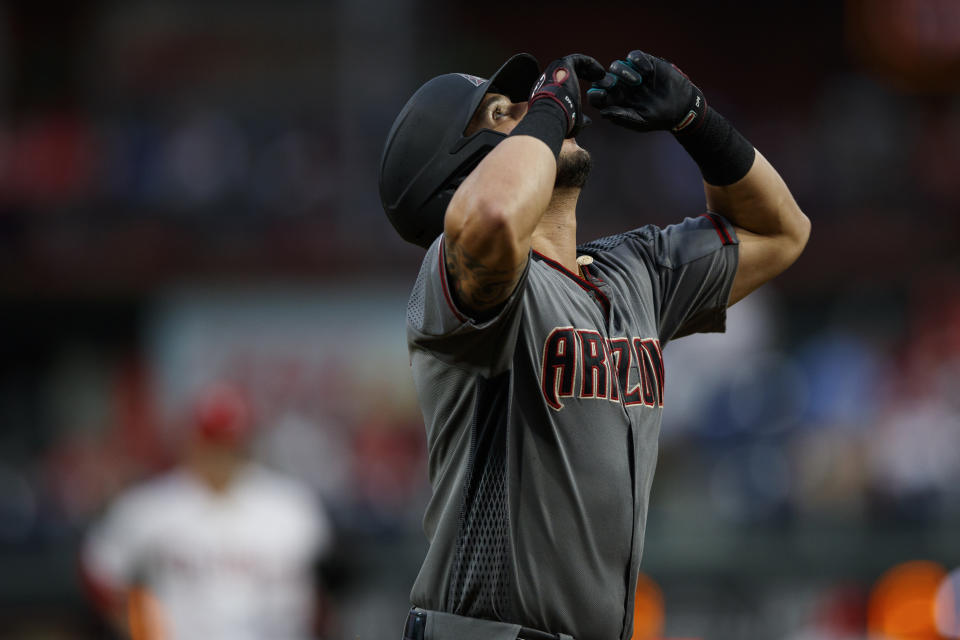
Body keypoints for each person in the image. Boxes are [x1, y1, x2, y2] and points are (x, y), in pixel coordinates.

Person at [378, 49, 810, 640]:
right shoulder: (457, 278)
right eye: (505, 113)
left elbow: (781, 232)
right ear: (459, 171)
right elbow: (493, 217)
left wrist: (697, 121)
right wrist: (551, 107)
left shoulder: (633, 272)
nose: (536, 109)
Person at [81, 383, 333, 640]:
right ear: (193, 441)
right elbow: (100, 573)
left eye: (229, 443)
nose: (220, 454)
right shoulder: (150, 506)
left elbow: (327, 588)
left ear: (246, 444)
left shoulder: (292, 506)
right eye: (212, 441)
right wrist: (142, 630)